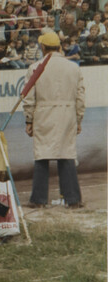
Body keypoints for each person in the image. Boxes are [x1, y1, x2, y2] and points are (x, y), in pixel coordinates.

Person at [23, 32, 86, 209]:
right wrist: (79, 118)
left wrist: (29, 120)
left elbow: (28, 97)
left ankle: (38, 200)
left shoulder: (36, 68)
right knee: (66, 154)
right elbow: (80, 97)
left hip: (43, 114)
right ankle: (73, 200)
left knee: (42, 156)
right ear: (59, 46)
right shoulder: (73, 67)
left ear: (43, 47)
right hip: (67, 114)